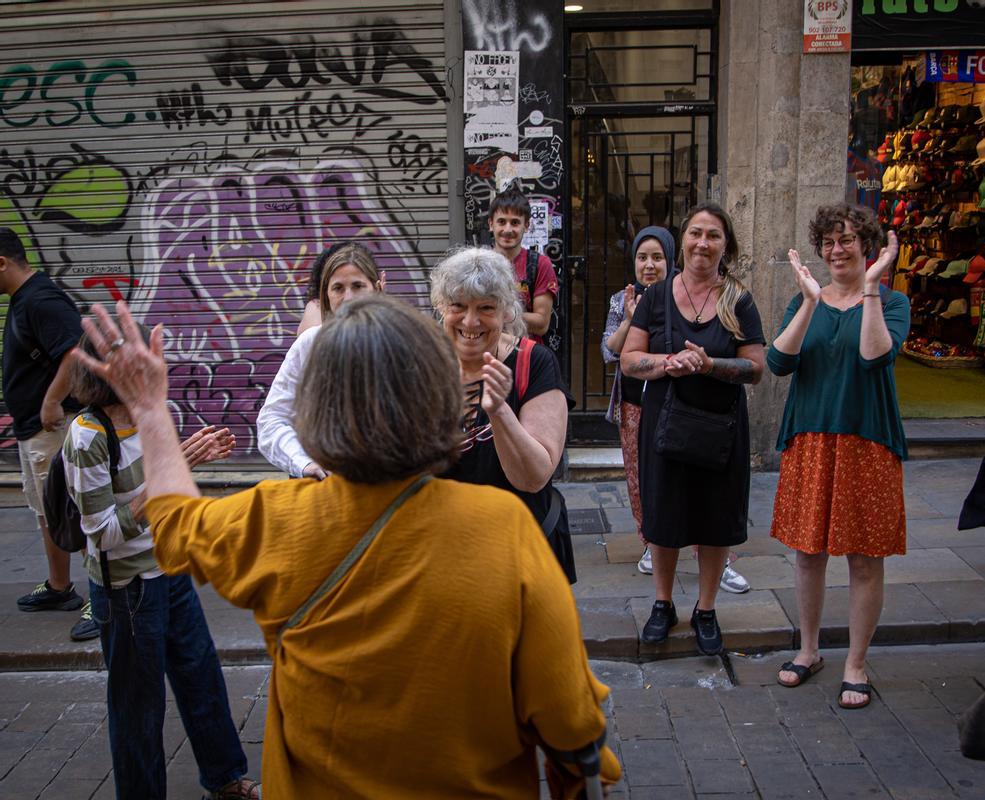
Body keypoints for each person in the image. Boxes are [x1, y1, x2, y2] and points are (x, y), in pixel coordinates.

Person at [72, 296, 620, 797]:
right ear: (437, 401)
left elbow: (172, 523)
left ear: (316, 411)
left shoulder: (273, 519)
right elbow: (570, 722)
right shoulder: (504, 530)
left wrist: (149, 412)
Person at [63, 329, 255, 800]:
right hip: (127, 590)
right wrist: (160, 481)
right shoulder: (87, 437)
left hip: (170, 570)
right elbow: (103, 532)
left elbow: (162, 493)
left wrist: (188, 459)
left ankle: (226, 778)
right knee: (138, 708)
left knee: (201, 676)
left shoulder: (153, 415)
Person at [768, 204, 909, 710]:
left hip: (866, 439)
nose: (837, 250)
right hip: (811, 438)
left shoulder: (892, 302)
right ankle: (808, 650)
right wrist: (809, 303)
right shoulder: (805, 300)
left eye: (847, 240)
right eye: (828, 242)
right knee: (808, 553)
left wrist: (870, 287)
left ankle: (855, 661)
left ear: (867, 245)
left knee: (865, 558)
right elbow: (778, 362)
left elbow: (875, 356)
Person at [620, 203, 765, 656]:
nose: (703, 243)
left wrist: (709, 364)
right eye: (696, 233)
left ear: (726, 245)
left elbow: (756, 367)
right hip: (665, 424)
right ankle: (662, 604)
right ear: (682, 240)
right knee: (664, 516)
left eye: (714, 235)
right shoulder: (656, 296)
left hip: (720, 427)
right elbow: (628, 359)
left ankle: (706, 609)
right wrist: (670, 363)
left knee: (714, 518)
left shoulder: (737, 299)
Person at [601, 226, 750, 592]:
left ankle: (714, 560)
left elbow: (752, 362)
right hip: (639, 404)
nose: (649, 265)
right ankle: (651, 544)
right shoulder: (626, 299)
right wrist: (630, 319)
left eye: (657, 258)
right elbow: (611, 352)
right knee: (645, 483)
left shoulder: (707, 299)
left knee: (704, 494)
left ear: (671, 259)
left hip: (691, 409)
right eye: (642, 257)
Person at [433, 248, 576, 581]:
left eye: (485, 308)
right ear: (442, 308)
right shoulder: (425, 363)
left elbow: (533, 476)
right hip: (445, 554)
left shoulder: (535, 363)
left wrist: (499, 410)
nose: (470, 321)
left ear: (506, 313)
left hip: (517, 553)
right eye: (458, 306)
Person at [0, 227, 95, 641]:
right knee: (46, 511)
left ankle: (103, 597)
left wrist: (52, 402)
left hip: (51, 429)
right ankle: (60, 587)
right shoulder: (24, 299)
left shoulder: (41, 299)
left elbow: (76, 351)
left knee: (78, 510)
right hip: (33, 430)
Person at [258, 242, 382, 478]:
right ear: (325, 294)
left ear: (376, 288)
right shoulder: (309, 345)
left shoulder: (401, 343)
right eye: (338, 288)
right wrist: (304, 464)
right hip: (321, 492)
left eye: (358, 286)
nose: (348, 297)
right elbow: (271, 420)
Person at [488, 186, 558, 342]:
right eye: (501, 222)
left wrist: (497, 314)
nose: (507, 229)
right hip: (486, 354)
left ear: (526, 226)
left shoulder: (540, 264)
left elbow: (542, 324)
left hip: (527, 356)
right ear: (491, 224)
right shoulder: (478, 263)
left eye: (515, 223)